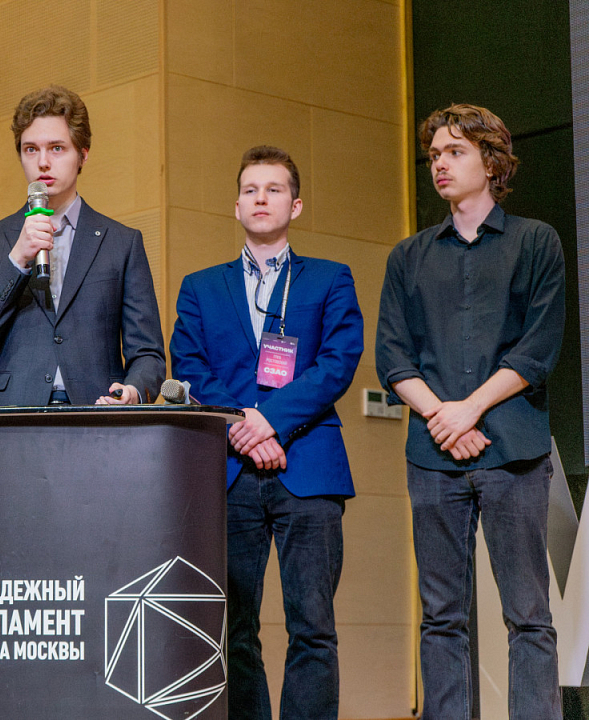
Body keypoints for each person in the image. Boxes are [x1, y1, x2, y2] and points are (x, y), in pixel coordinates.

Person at [376, 104, 564, 719]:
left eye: (454, 151)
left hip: (514, 451)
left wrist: (469, 410)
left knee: (528, 615)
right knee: (441, 617)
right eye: (434, 154)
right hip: (433, 457)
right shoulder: (408, 256)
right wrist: (444, 418)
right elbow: (393, 356)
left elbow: (537, 348)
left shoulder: (535, 241)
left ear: (491, 159)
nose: (440, 163)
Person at [170, 146, 363, 719]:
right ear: (236, 206)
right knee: (233, 627)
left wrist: (270, 421)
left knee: (313, 626)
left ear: (295, 205)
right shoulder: (201, 287)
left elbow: (338, 362)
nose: (261, 198)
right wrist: (244, 427)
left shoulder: (330, 278)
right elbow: (190, 367)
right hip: (229, 471)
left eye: (274, 189)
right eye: (250, 190)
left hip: (309, 467)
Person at [0, 85, 165, 406]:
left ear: (83, 155)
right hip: (10, 415)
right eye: (30, 149)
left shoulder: (122, 242)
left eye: (56, 148)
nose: (43, 162)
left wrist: (133, 392)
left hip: (96, 411)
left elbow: (148, 353)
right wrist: (16, 260)